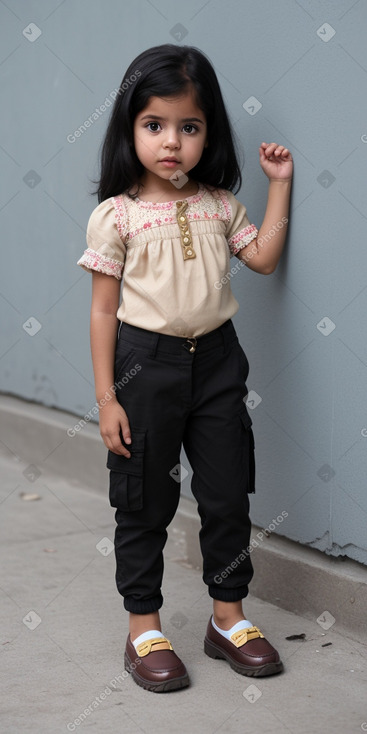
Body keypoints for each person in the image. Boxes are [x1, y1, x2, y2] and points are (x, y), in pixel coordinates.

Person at [77, 43, 293, 693]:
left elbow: (261, 260)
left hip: (218, 361)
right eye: (154, 125)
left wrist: (278, 187)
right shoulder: (115, 216)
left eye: (188, 126)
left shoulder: (220, 205)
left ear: (208, 133)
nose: (171, 141)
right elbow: (102, 311)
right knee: (143, 500)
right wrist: (107, 397)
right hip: (145, 367)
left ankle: (227, 617)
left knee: (227, 492)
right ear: (129, 129)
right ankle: (144, 627)